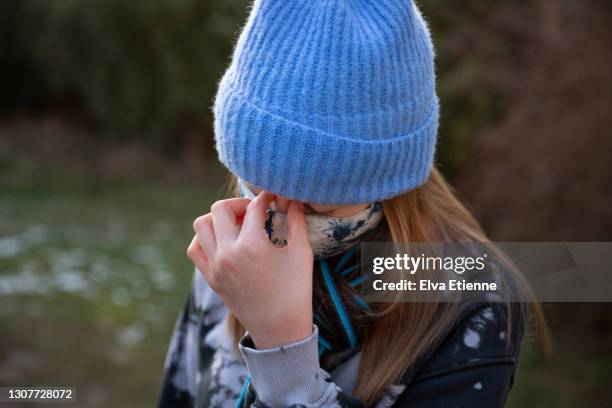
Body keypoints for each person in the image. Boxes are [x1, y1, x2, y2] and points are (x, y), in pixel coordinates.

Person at [156, 1, 546, 406]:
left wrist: (285, 358)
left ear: (387, 184)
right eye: (257, 187)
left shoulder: (465, 306)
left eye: (316, 208)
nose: (275, 221)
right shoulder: (234, 252)